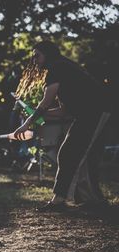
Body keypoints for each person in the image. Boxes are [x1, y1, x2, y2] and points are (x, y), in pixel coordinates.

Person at [14, 40, 111, 212]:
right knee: (76, 154)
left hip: (96, 112)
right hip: (89, 114)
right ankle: (89, 200)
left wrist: (26, 124)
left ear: (48, 55)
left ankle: (64, 201)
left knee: (73, 153)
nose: (34, 60)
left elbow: (45, 103)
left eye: (37, 56)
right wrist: (34, 114)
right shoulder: (63, 68)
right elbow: (63, 112)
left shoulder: (57, 68)